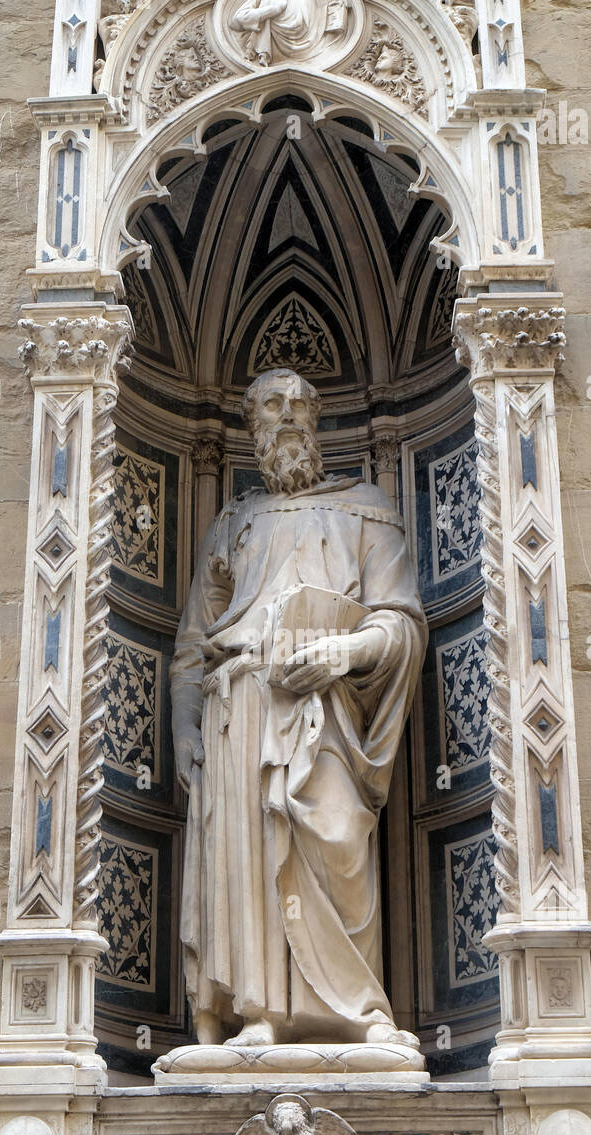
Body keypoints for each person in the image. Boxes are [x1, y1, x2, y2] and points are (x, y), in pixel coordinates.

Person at [170, 369, 427, 1048]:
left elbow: (401, 621)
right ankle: (259, 1012)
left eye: (297, 407)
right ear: (250, 430)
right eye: (270, 409)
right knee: (250, 861)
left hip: (325, 709)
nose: (286, 419)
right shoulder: (234, 523)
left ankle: (358, 1011)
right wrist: (182, 728)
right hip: (240, 710)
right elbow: (193, 647)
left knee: (337, 836)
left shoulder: (366, 509)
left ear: (318, 423)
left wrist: (344, 652)